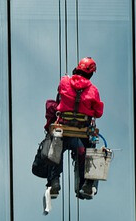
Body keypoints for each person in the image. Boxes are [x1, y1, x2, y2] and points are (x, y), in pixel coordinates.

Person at [45, 57, 104, 199]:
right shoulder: (93, 90)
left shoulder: (65, 81)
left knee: (55, 147)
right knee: (91, 149)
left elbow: (60, 95)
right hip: (82, 131)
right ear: (90, 74)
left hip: (64, 128)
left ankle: (54, 182)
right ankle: (88, 184)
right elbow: (98, 113)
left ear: (78, 68)